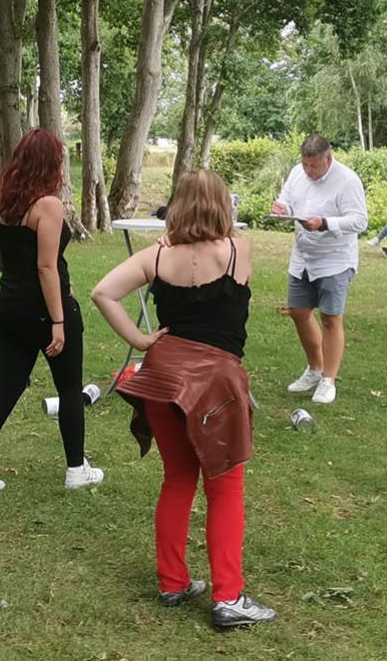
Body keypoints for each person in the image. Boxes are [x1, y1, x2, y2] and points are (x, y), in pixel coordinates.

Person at [92, 169, 275, 630]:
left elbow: (103, 292)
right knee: (225, 487)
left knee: (178, 479)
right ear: (222, 205)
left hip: (162, 377)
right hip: (216, 384)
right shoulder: (238, 250)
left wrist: (140, 337)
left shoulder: (157, 255)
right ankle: (228, 598)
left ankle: (173, 581)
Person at [0, 129, 104, 496]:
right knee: (69, 389)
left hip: (9, 307)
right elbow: (46, 267)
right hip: (45, 310)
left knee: (7, 387)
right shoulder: (48, 205)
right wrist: (58, 321)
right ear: (52, 164)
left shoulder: (7, 203)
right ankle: (75, 469)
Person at [271, 134, 367, 405]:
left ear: (329, 158)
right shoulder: (297, 174)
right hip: (302, 256)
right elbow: (287, 200)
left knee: (330, 318)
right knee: (299, 311)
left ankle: (328, 379)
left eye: (314, 166)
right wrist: (282, 209)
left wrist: (324, 223)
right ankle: (314, 368)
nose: (308, 171)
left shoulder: (347, 180)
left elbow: (360, 221)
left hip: (335, 259)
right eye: (304, 164)